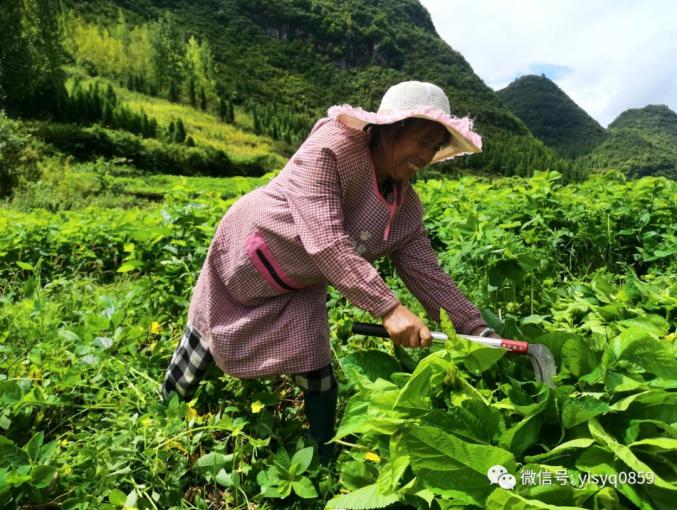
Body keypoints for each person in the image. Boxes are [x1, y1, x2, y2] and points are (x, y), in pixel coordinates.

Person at [161, 80, 497, 464]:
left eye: (435, 147)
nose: (426, 154)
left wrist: (474, 328)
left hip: (303, 278)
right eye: (421, 140)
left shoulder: (405, 206)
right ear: (390, 128)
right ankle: (165, 413)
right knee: (206, 332)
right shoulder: (332, 149)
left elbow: (427, 273)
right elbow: (325, 240)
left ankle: (320, 456)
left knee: (315, 362)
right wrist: (388, 308)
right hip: (249, 251)